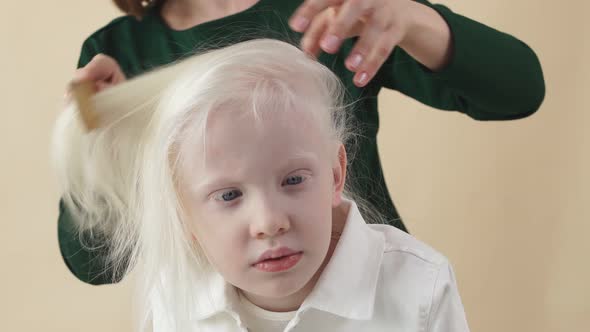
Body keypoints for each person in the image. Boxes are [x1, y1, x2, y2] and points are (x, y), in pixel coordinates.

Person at [60, 0, 545, 285]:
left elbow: (518, 90)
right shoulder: (118, 54)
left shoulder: (330, 13)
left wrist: (410, 16)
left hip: (376, 300)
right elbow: (93, 264)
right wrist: (107, 148)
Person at [53, 39, 470, 331]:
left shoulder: (420, 287)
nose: (269, 222)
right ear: (182, 212)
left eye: (293, 180)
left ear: (335, 175)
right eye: (230, 195)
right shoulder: (172, 294)